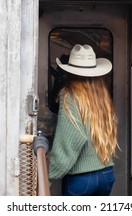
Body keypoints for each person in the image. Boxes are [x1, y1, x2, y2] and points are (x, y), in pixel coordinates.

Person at [48, 44, 118, 196]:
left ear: (69, 71)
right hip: (106, 174)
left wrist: (49, 172)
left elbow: (70, 140)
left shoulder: (69, 94)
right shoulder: (102, 95)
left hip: (81, 178)